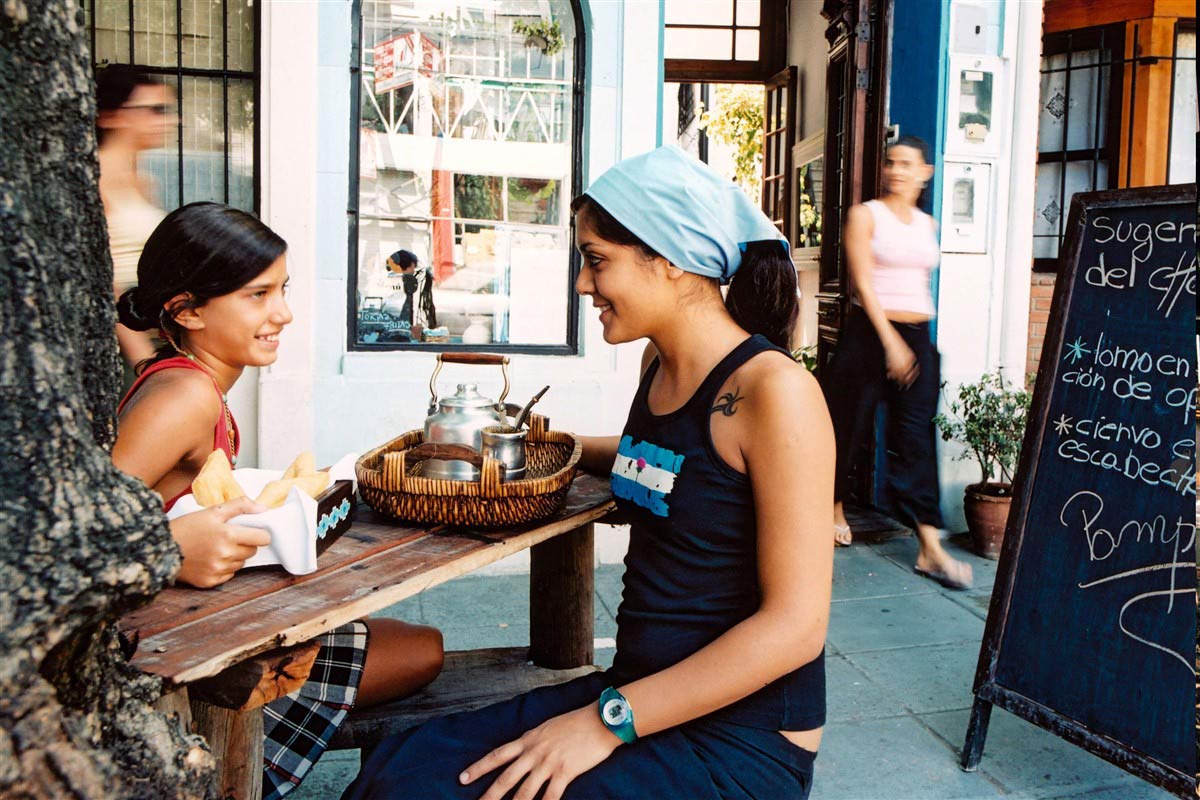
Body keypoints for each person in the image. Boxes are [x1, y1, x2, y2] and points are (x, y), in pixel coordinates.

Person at [342, 146, 833, 800]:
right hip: (637, 694)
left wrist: (607, 723)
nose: (582, 284)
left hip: (739, 740)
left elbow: (796, 628)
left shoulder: (775, 392)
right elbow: (663, 461)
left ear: (670, 261)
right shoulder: (658, 368)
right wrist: (536, 440)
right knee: (402, 766)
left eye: (596, 259)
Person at [111, 202, 444, 800]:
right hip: (164, 665)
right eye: (257, 295)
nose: (284, 313)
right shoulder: (184, 396)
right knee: (421, 653)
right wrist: (167, 550)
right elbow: (89, 533)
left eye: (282, 290)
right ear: (187, 311)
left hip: (204, 627)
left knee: (422, 647)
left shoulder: (186, 377)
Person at [821, 136, 973, 590]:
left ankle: (930, 547)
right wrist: (890, 342)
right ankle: (832, 508)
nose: (897, 171)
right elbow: (863, 283)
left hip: (917, 336)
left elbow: (918, 281)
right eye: (891, 162)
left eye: (908, 164)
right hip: (870, 333)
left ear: (925, 172)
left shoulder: (927, 223)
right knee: (846, 429)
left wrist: (912, 344)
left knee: (916, 440)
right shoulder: (865, 215)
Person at [96, 65, 173, 369]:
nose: (168, 120)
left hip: (152, 330)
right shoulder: (96, 178)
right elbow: (102, 277)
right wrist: (142, 359)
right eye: (155, 109)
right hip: (120, 342)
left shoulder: (145, 180)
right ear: (111, 115)